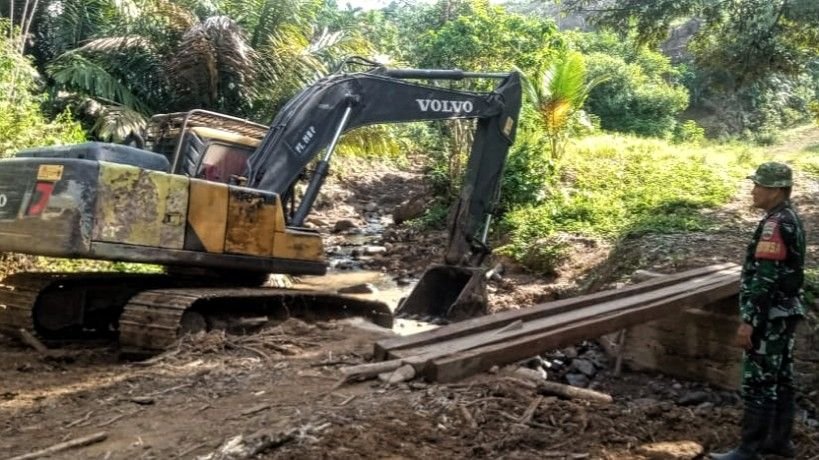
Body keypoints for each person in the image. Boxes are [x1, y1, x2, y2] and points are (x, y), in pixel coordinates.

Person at [710, 162, 806, 460]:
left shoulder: (774, 224)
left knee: (759, 382)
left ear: (776, 190)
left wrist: (748, 323)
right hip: (785, 313)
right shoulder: (791, 218)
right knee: (780, 378)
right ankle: (778, 442)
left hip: (769, 317)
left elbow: (766, 278)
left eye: (759, 186)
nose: (753, 191)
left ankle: (748, 449)